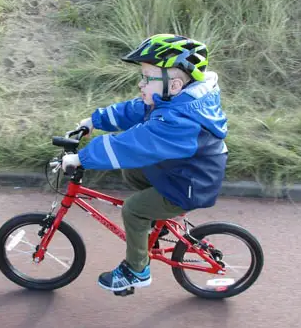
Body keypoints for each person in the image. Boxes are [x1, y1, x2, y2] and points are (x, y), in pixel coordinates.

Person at [61, 33, 228, 292]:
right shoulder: (175, 102)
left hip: (189, 184)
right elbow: (136, 110)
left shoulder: (177, 120)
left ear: (173, 86)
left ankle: (137, 271)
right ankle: (154, 225)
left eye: (147, 78)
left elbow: (131, 143)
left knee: (133, 210)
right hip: (181, 170)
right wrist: (96, 120)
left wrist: (81, 158)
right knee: (133, 171)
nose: (141, 84)